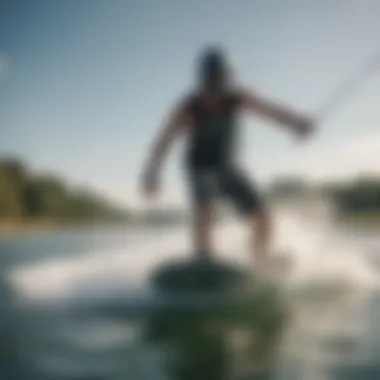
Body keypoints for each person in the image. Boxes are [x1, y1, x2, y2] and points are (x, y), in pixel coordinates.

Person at [140, 45, 315, 271]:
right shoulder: (188, 107)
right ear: (201, 82)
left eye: (218, 86)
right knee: (207, 207)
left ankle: (259, 260)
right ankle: (204, 261)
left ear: (227, 82)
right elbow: (164, 140)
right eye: (209, 86)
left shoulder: (238, 98)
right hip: (199, 166)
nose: (212, 95)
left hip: (228, 166)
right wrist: (152, 172)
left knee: (263, 215)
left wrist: (297, 123)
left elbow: (271, 111)